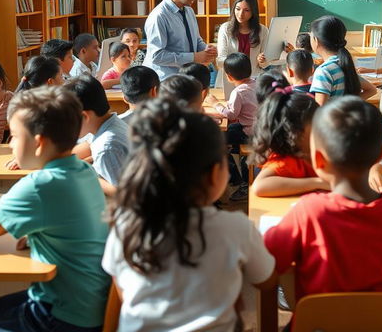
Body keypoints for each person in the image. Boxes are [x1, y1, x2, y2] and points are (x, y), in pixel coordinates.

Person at [102, 98, 276, 331]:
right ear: (216, 174)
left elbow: (124, 292)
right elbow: (267, 280)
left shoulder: (125, 225)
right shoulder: (235, 227)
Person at [0, 87, 110, 332]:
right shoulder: (84, 171)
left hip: (63, 315)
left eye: (15, 136)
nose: (10, 145)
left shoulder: (40, 185)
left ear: (38, 143)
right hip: (90, 303)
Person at [263, 97, 382, 303]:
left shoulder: (309, 211)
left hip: (319, 324)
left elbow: (269, 257)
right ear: (381, 155)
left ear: (319, 160)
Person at [251, 88, 328, 197]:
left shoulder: (319, 151)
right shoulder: (290, 161)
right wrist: (319, 182)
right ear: (296, 134)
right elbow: (260, 186)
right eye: (317, 126)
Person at [144, 0, 217, 80]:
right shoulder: (159, 16)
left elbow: (196, 41)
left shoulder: (189, 11)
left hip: (187, 79)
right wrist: (194, 57)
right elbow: (156, 56)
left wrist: (207, 49)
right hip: (166, 83)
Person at [65, 76, 129, 196]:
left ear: (85, 116)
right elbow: (87, 147)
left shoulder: (106, 147)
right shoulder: (110, 124)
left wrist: (86, 175)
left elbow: (122, 193)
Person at [208, 53, 257, 200]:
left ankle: (239, 181)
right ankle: (233, 152)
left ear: (228, 76)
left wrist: (216, 104)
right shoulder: (257, 83)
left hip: (249, 133)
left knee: (217, 142)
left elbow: (230, 115)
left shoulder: (239, 92)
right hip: (260, 128)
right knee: (230, 132)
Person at [309, 16, 376, 105]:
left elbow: (319, 110)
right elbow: (371, 90)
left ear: (316, 40)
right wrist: (344, 106)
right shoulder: (343, 63)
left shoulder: (323, 71)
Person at [216, 0, 269, 89]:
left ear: (253, 11)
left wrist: (262, 61)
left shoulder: (263, 30)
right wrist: (237, 66)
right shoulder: (225, 28)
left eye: (246, 10)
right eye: (238, 9)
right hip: (231, 81)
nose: (240, 14)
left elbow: (265, 64)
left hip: (254, 81)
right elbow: (220, 61)